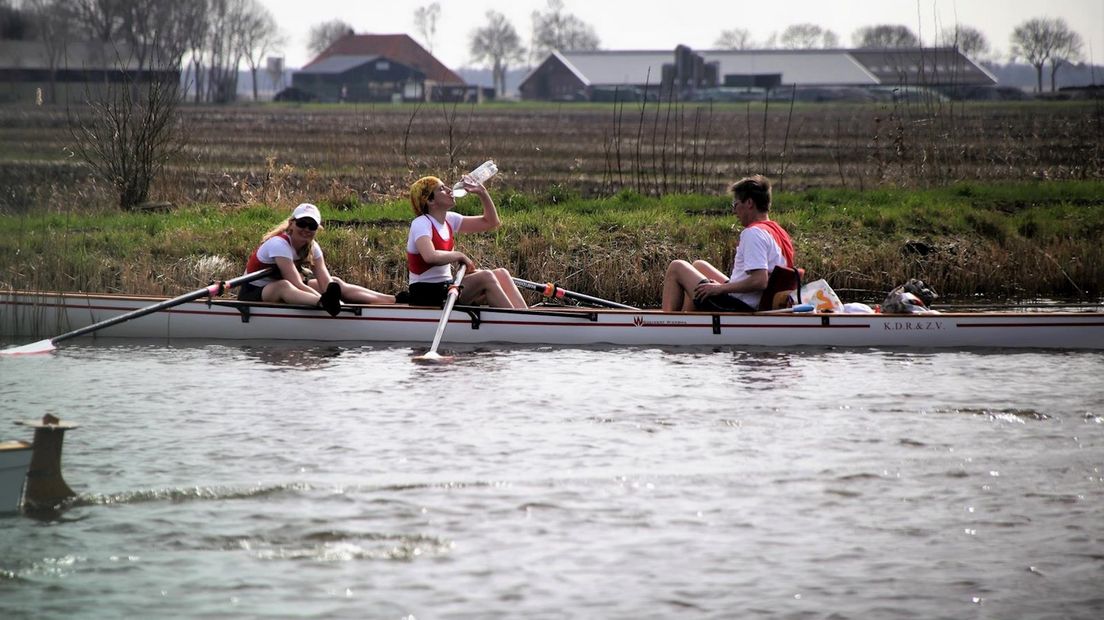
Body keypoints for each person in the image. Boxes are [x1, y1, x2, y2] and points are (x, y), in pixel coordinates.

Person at [661, 174, 795, 312]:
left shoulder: (754, 233)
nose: (734, 211)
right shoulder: (778, 232)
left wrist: (720, 289)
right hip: (753, 300)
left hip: (742, 306)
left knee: (676, 267)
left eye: (735, 204)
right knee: (699, 266)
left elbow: (759, 281)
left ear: (749, 203)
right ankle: (689, 321)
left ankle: (666, 324)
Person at [238, 203, 396, 315]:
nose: (306, 229)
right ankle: (323, 304)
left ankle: (393, 300)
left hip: (284, 290)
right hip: (252, 292)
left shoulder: (313, 247)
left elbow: (326, 283)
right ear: (291, 224)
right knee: (284, 285)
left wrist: (331, 294)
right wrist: (326, 300)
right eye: (302, 223)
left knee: (335, 282)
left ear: (317, 229)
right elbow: (296, 283)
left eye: (311, 226)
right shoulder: (278, 244)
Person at [403, 174, 527, 309]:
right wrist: (460, 255)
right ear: (430, 201)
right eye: (442, 189)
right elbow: (430, 256)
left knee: (501, 274)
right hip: (426, 293)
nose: (450, 190)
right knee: (486, 276)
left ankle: (527, 319)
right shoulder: (421, 223)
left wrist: (482, 192)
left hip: (446, 286)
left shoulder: (449, 220)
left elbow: (491, 222)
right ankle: (516, 324)